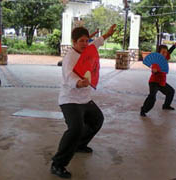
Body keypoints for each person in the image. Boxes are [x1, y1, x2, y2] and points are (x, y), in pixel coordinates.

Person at [51, 24, 117, 179]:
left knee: (97, 120)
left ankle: (80, 145)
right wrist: (79, 83)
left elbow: (97, 42)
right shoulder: (70, 57)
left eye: (86, 40)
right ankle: (57, 164)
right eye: (81, 41)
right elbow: (68, 77)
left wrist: (107, 34)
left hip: (85, 99)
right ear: (74, 42)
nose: (84, 44)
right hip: (70, 99)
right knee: (75, 129)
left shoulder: (88, 48)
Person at [140, 45, 176, 117]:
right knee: (152, 97)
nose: (165, 53)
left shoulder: (164, 58)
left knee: (171, 91)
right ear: (159, 53)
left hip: (161, 82)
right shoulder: (156, 62)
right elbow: (154, 70)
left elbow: (170, 51)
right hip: (154, 82)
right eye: (163, 52)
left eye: (165, 52)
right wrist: (154, 71)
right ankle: (143, 110)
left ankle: (166, 105)